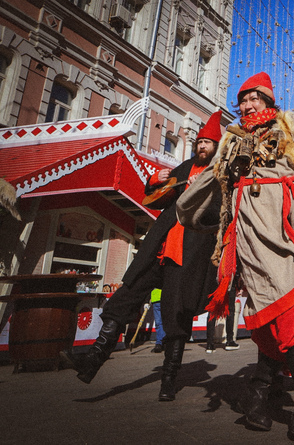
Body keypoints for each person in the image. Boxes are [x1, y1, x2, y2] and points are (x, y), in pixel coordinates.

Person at [177, 72, 294, 439]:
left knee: (290, 310)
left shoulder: (292, 123)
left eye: (254, 99)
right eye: (243, 100)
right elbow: (212, 177)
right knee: (262, 314)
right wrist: (188, 208)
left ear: (268, 100)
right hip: (246, 232)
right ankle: (259, 396)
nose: (247, 105)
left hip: (284, 228)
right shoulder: (233, 138)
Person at [64, 111, 223, 402]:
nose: (202, 146)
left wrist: (197, 195)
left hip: (187, 255)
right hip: (158, 248)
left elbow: (219, 214)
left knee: (176, 316)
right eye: (200, 142)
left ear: (216, 146)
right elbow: (157, 197)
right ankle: (92, 362)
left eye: (208, 143)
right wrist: (154, 179)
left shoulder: (219, 174)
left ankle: (169, 380)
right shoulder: (185, 167)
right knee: (126, 296)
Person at [205, 287, 241, 353]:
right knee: (230, 310)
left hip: (215, 284)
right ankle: (229, 341)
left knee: (212, 311)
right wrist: (238, 287)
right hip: (228, 284)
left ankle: (209, 344)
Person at [151, 288, 165, 353]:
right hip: (157, 300)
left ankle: (160, 343)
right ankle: (161, 343)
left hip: (159, 300)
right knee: (159, 323)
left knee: (159, 323)